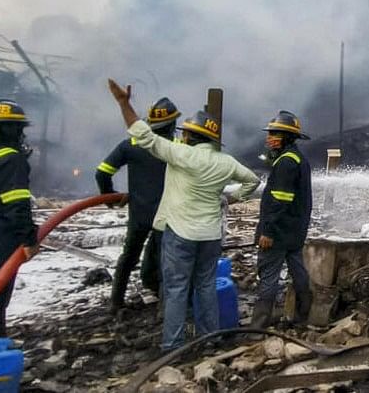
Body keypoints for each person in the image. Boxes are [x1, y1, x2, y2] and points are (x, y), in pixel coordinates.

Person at [107, 80, 259, 351]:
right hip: (210, 236)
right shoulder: (226, 161)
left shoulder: (181, 154)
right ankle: (209, 340)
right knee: (205, 287)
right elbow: (252, 181)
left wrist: (124, 103)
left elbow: (143, 135)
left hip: (180, 235)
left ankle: (173, 346)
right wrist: (229, 198)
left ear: (189, 135)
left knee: (176, 289)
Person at [96, 97, 180, 313]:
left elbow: (102, 172)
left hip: (139, 213)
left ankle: (116, 302)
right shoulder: (176, 147)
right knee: (166, 261)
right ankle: (165, 308)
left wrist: (110, 197)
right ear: (171, 124)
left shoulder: (130, 145)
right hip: (166, 214)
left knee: (128, 256)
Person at [0, 99, 38, 339]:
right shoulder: (10, 159)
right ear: (9, 128)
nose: (21, 135)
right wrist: (29, 238)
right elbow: (17, 205)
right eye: (19, 129)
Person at [251, 110, 313, 327]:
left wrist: (267, 231)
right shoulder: (298, 159)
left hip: (278, 233)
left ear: (287, 137)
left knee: (268, 275)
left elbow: (279, 201)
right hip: (295, 231)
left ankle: (258, 325)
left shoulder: (286, 163)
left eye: (274, 134)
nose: (269, 138)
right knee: (299, 272)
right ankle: (303, 316)